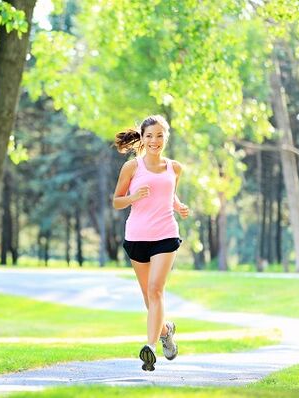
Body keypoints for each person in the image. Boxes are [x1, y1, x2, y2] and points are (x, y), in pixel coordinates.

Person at [111, 115, 189, 372]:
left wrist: (179, 206)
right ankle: (166, 331)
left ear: (166, 137)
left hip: (165, 235)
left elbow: (170, 193)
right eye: (149, 136)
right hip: (136, 237)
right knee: (148, 296)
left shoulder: (174, 168)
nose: (154, 141)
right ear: (142, 139)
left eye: (159, 136)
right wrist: (133, 196)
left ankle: (150, 348)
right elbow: (117, 201)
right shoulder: (132, 168)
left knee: (156, 290)